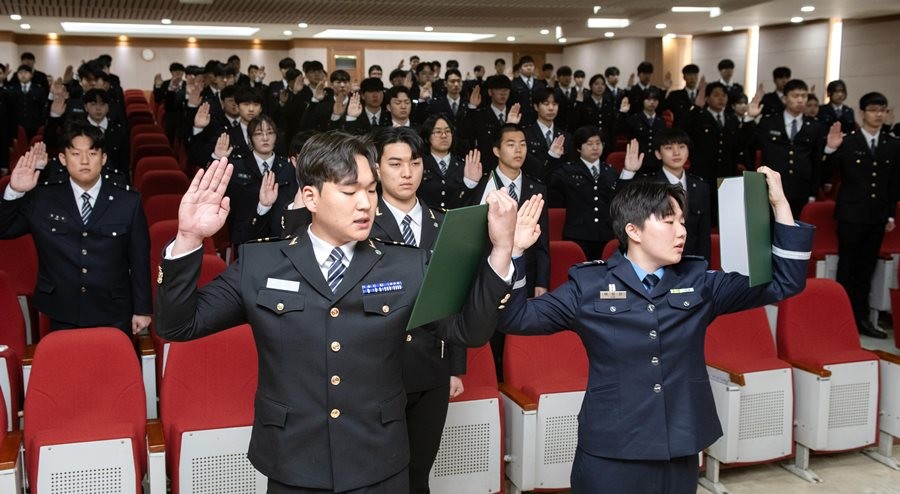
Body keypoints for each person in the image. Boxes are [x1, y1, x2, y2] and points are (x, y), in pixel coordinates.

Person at [154, 131, 519, 493]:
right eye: (349, 192)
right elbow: (178, 325)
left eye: (371, 190)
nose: (365, 204)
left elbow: (468, 331)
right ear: (310, 197)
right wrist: (189, 238)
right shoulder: (260, 263)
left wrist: (501, 251)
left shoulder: (407, 265)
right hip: (293, 459)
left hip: (379, 459)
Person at [502, 171, 814, 494]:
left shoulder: (698, 282)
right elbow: (517, 318)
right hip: (611, 450)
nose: (682, 231)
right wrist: (515, 253)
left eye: (683, 222)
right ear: (633, 230)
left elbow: (785, 282)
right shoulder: (589, 286)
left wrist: (779, 204)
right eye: (669, 222)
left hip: (677, 447)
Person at [369, 127, 466, 493]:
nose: (407, 173)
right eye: (395, 164)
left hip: (432, 366)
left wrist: (456, 366)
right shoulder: (362, 221)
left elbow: (456, 296)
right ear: (377, 169)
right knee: (381, 474)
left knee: (419, 472)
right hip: (378, 368)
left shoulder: (445, 223)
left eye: (414, 163)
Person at [0, 124, 151, 336]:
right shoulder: (43, 198)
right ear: (63, 158)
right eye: (76, 154)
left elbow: (140, 260)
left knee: (114, 358)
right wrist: (14, 191)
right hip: (61, 310)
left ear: (103, 158)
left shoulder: (127, 201)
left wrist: (142, 309)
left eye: (92, 153)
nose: (84, 161)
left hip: (114, 309)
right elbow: (5, 229)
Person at [828, 91, 900, 339]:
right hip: (851, 216)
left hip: (877, 217)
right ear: (862, 113)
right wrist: (830, 149)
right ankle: (839, 320)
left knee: (867, 270)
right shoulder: (848, 141)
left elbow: (893, 184)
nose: (878, 114)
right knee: (847, 269)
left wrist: (890, 215)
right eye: (873, 110)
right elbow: (826, 173)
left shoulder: (892, 145)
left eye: (882, 110)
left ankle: (861, 319)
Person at [620, 129, 712, 260]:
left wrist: (703, 265)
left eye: (681, 147)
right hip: (656, 259)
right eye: (669, 148)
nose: (676, 152)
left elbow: (704, 234)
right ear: (658, 154)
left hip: (691, 260)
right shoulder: (648, 184)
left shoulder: (701, 187)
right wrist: (629, 172)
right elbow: (621, 208)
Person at [754, 79, 839, 218]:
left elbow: (816, 162)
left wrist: (813, 192)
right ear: (784, 99)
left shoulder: (815, 126)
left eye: (804, 96)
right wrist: (749, 119)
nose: (800, 100)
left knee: (797, 226)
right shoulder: (769, 122)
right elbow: (747, 145)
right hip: (772, 186)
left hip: (801, 188)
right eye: (795, 96)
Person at [548, 126, 621, 260]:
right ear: (578, 148)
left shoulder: (610, 171)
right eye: (589, 144)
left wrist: (628, 173)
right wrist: (553, 158)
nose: (595, 147)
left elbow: (620, 199)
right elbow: (547, 181)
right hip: (578, 235)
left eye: (598, 143)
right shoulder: (567, 170)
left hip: (605, 234)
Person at [417, 114, 481, 209]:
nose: (444, 135)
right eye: (438, 132)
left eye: (447, 131)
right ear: (427, 137)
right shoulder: (419, 164)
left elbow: (470, 202)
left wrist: (470, 183)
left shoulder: (464, 166)